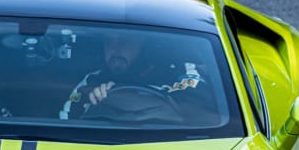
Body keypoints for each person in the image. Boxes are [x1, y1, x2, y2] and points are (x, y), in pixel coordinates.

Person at [59, 32, 206, 120]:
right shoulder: (92, 81)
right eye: (108, 41)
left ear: (145, 46)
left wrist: (119, 95)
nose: (115, 49)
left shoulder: (182, 73)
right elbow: (67, 122)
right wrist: (93, 100)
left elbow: (203, 115)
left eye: (124, 40)